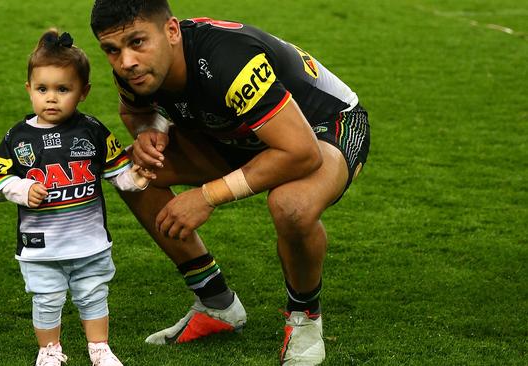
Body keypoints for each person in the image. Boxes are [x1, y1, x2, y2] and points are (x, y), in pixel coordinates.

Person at [90, 1, 370, 364]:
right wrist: (147, 134)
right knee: (132, 174)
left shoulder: (227, 60)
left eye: (137, 42)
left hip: (325, 125)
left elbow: (302, 153)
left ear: (171, 31)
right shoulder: (136, 70)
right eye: (112, 50)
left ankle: (305, 319)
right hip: (237, 131)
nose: (125, 61)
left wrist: (206, 196)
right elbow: (136, 111)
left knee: (291, 206)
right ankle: (216, 302)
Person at [0, 28, 152, 366]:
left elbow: (117, 176)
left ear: (83, 92)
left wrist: (137, 176)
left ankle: (100, 349)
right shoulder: (17, 137)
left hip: (88, 242)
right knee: (46, 299)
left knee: (94, 295)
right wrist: (22, 189)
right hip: (40, 246)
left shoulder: (92, 130)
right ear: (29, 89)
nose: (51, 98)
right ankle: (49, 351)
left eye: (63, 89)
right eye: (42, 89)